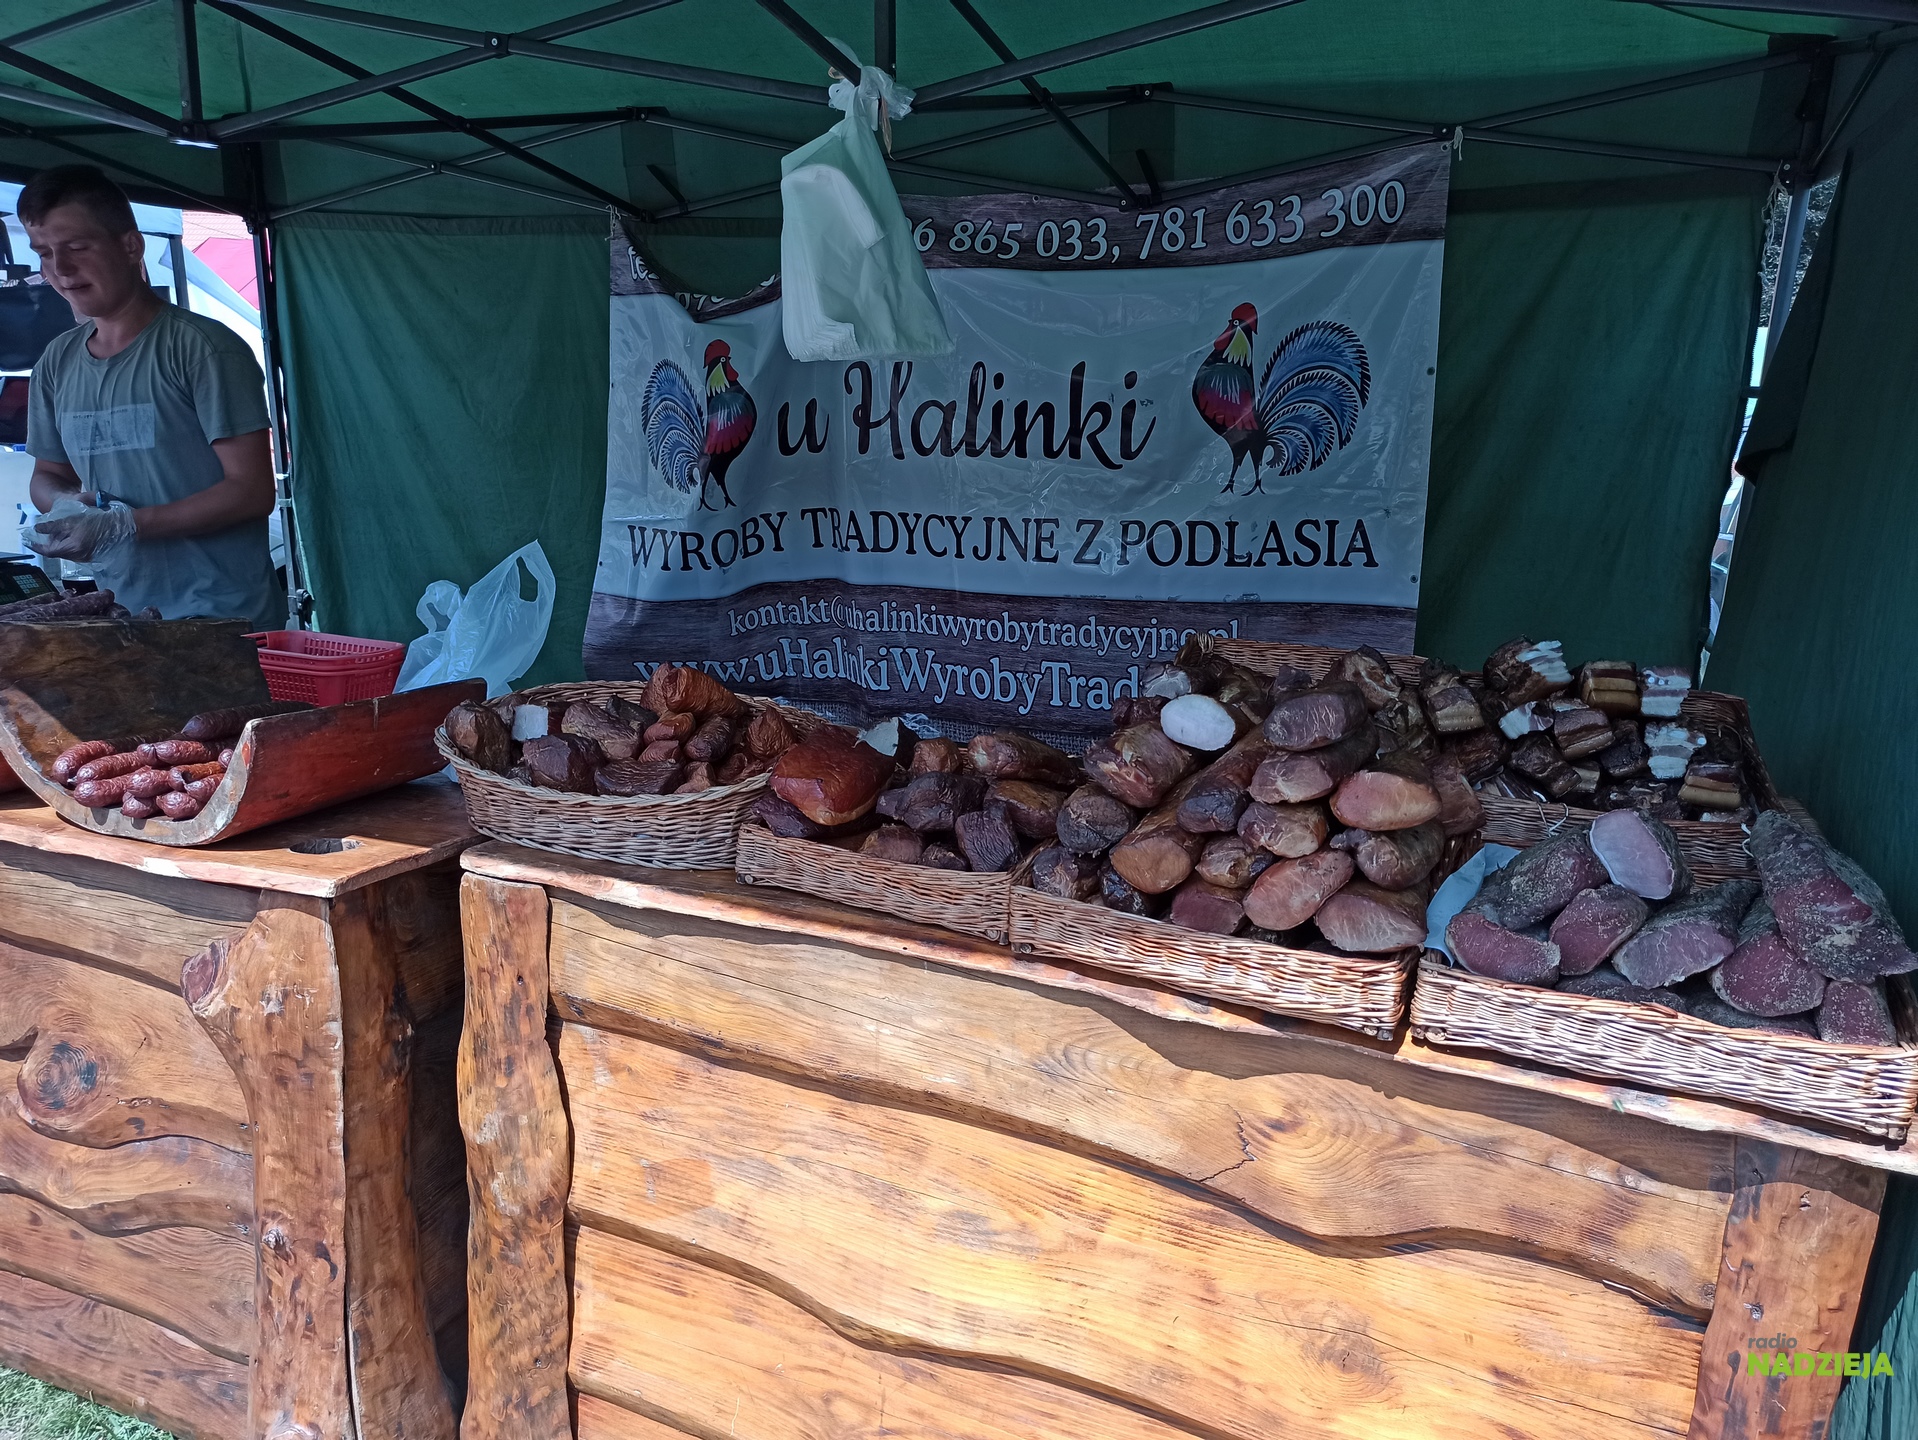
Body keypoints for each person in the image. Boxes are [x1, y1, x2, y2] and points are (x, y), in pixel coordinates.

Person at [19, 164, 283, 631]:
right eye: (44, 253)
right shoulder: (56, 363)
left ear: (130, 246)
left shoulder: (203, 348)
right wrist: (67, 506)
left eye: (77, 247)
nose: (60, 269)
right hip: (124, 616)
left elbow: (252, 490)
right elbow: (47, 476)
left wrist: (126, 524)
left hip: (223, 622)